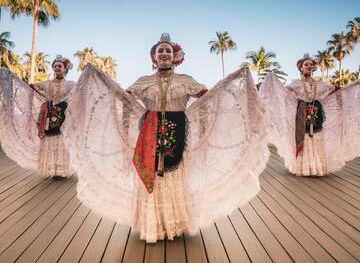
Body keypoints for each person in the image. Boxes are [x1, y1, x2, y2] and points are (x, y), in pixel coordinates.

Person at [62, 33, 270, 242]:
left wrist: (229, 83)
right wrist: (103, 82)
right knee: (152, 173)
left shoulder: (185, 81)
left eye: (167, 51)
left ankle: (175, 223)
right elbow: (123, 98)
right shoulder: (144, 81)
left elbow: (208, 97)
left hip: (178, 130)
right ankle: (152, 224)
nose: (164, 54)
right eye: (160, 50)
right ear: (154, 56)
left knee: (175, 174)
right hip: (149, 131)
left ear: (175, 56)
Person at [259, 54, 360, 176]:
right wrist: (272, 81)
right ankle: (303, 168)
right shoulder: (296, 84)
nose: (309, 66)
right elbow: (284, 94)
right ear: (301, 68)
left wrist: (354, 85)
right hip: (301, 114)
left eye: (311, 64)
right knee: (305, 139)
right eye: (306, 64)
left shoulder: (321, 84)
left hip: (316, 114)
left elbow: (338, 90)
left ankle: (317, 168)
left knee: (316, 138)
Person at [0, 55, 76, 177]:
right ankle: (52, 170)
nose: (57, 68)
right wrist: (13, 79)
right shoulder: (47, 84)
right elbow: (31, 88)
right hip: (49, 115)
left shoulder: (71, 85)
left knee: (61, 141)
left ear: (64, 69)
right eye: (55, 66)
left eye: (60, 66)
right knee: (50, 141)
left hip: (63, 116)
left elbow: (79, 93)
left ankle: (61, 170)